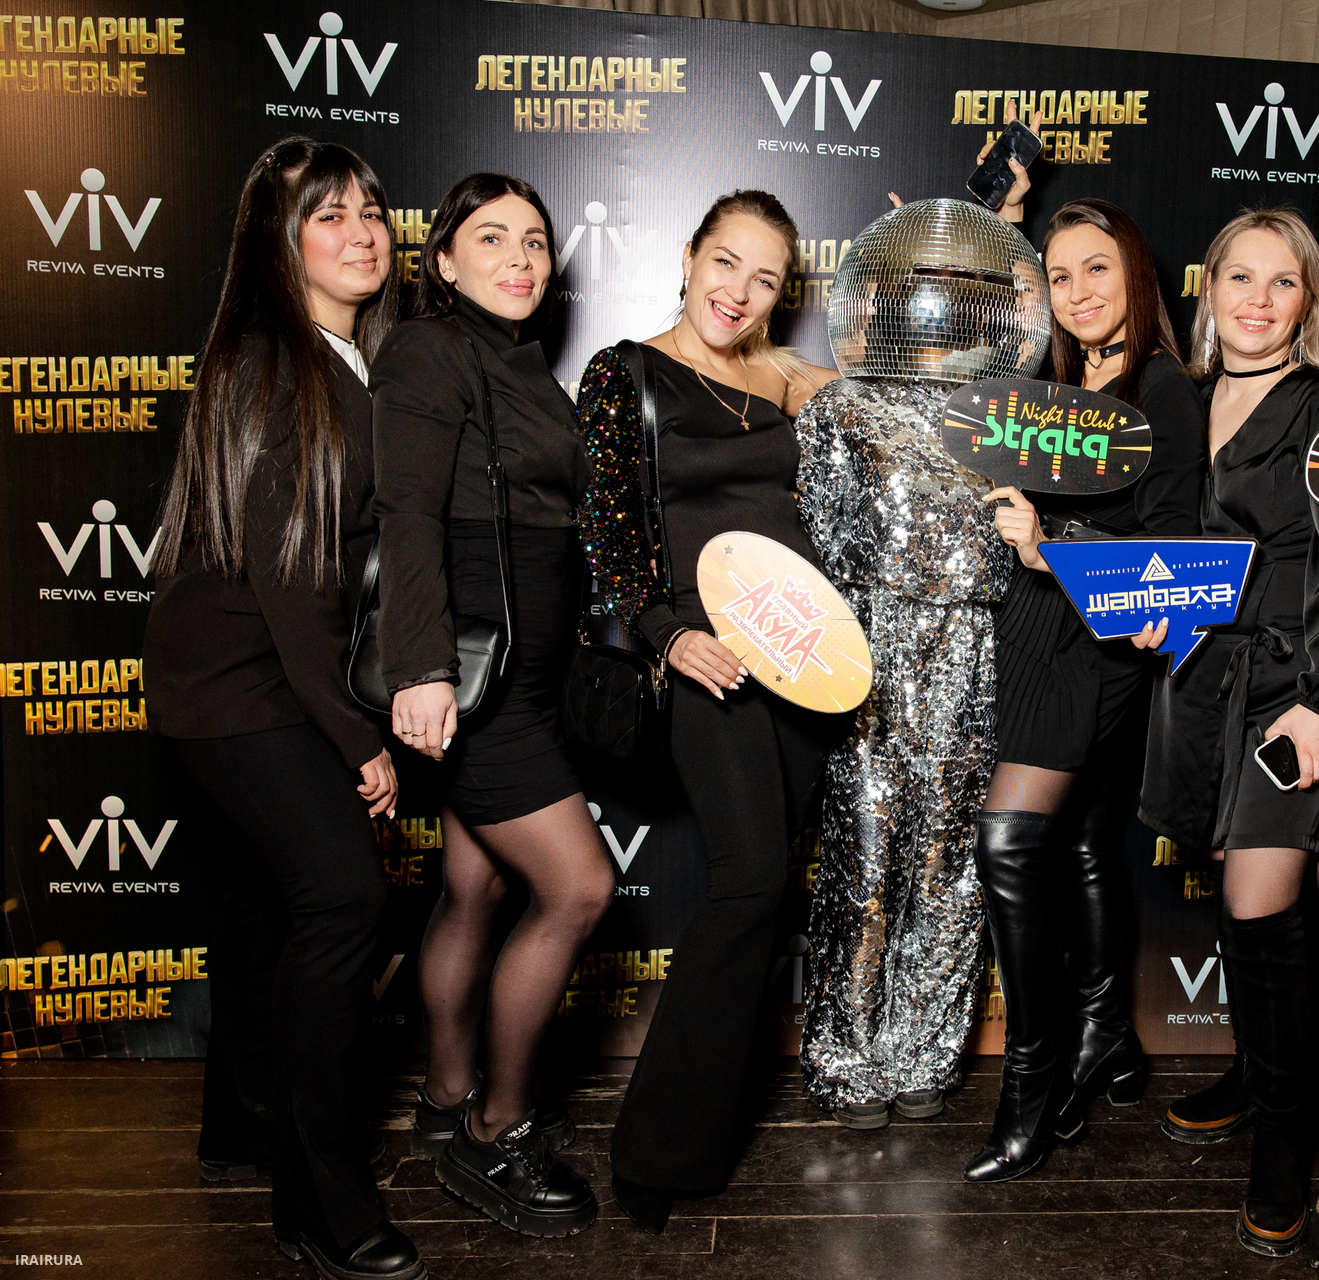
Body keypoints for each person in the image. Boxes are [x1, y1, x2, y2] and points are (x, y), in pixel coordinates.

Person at [145, 136, 420, 1280]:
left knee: (268, 916)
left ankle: (250, 1136)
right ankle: (322, 1201)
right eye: (329, 214)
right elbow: (294, 584)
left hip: (253, 675)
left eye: (372, 211)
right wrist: (360, 739)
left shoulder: (344, 358)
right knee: (345, 899)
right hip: (237, 685)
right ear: (280, 237)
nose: (363, 232)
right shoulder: (273, 360)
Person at [576, 190, 842, 1234]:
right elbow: (604, 530)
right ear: (688, 257)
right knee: (751, 879)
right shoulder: (624, 373)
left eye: (765, 277)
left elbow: (898, 423)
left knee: (764, 896)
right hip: (708, 658)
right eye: (725, 263)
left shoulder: (787, 379)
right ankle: (656, 1150)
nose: (739, 291)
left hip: (802, 661)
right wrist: (665, 634)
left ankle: (700, 1129)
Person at [1135, 204, 1319, 1262]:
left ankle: (1291, 1136)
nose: (1257, 299)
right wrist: (1148, 603)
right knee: (1230, 885)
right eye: (1239, 276)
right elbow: (1171, 544)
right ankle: (1253, 1073)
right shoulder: (1182, 397)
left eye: (1282, 281)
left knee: (1259, 902)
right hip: (1202, 676)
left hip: (1293, 683)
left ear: (1309, 301)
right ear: (1210, 290)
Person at [371, 173, 606, 1237]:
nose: (520, 257)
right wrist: (420, 667)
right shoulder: (430, 350)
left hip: (533, 678)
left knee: (472, 886)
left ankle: (442, 1093)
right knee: (579, 886)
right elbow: (407, 514)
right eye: (492, 237)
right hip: (477, 680)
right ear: (444, 260)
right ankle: (494, 1131)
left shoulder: (524, 365)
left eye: (535, 241)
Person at [964, 195, 1208, 1182]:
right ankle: (1106, 1034)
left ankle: (1034, 1081)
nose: (1077, 292)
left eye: (1096, 268)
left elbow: (1173, 544)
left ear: (1135, 271)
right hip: (1034, 625)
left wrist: (1050, 538)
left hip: (1094, 639)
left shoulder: (1165, 388)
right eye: (1059, 276)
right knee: (1086, 841)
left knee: (1009, 838)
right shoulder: (1056, 383)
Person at [795, 198, 1050, 1132]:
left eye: (963, 284)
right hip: (866, 652)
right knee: (863, 858)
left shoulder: (1011, 414)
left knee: (948, 860)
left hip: (974, 649)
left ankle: (924, 1054)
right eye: (927, 280)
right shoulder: (841, 407)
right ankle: (846, 1055)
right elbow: (818, 535)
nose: (943, 300)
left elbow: (1039, 535)